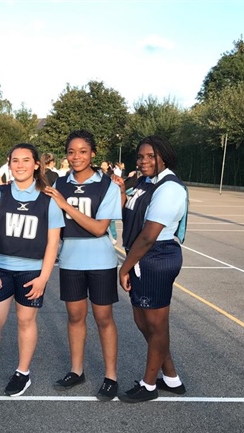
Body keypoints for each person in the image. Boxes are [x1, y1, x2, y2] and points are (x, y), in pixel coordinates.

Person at [0, 143, 64, 397]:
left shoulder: (48, 197)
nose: (20, 165)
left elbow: (53, 242)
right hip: (0, 268)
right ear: (9, 164)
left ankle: (23, 372)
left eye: (25, 160)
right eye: (15, 160)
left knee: (25, 320)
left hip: (32, 272)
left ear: (36, 165)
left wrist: (44, 277)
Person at [44, 130, 122, 401]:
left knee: (103, 318)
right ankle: (77, 370)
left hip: (101, 262)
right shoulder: (60, 184)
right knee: (75, 317)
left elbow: (100, 229)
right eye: (71, 152)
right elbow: (53, 225)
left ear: (93, 154)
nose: (76, 157)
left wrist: (65, 205)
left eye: (83, 151)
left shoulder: (107, 186)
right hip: (70, 261)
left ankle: (111, 376)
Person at [115, 135, 188, 403]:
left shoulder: (170, 188)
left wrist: (125, 268)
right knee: (143, 320)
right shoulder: (146, 183)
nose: (144, 161)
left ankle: (148, 385)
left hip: (155, 257)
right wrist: (122, 190)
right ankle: (171, 377)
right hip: (141, 256)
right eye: (140, 156)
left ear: (164, 157)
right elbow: (129, 214)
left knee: (156, 325)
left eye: (150, 156)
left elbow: (148, 235)